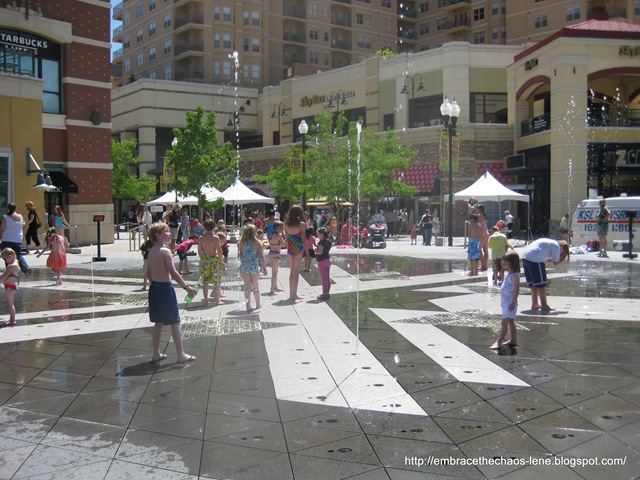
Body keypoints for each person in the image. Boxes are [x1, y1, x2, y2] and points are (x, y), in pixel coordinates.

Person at [145, 222, 197, 364]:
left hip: (155, 288)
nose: (169, 234)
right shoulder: (165, 251)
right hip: (165, 289)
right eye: (166, 232)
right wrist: (186, 287)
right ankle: (181, 354)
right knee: (175, 321)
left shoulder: (151, 251)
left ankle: (156, 353)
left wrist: (155, 283)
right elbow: (173, 272)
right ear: (157, 235)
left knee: (159, 322)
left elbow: (148, 273)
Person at [522, 238, 570, 311]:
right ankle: (544, 305)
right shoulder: (556, 246)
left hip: (526, 257)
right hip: (535, 258)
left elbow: (547, 260)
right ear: (563, 247)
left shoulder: (549, 243)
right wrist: (563, 257)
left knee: (533, 284)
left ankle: (534, 304)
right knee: (541, 284)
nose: (561, 253)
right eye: (563, 252)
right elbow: (555, 262)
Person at [490, 251, 521, 349]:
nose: (504, 266)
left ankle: (498, 342)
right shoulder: (510, 274)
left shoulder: (514, 276)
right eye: (503, 264)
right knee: (511, 321)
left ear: (513, 263)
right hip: (506, 302)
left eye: (506, 264)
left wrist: (513, 302)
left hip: (509, 303)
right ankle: (513, 340)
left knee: (504, 323)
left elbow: (516, 290)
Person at [238, 224, 267, 312]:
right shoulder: (258, 242)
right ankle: (258, 304)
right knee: (255, 286)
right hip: (254, 266)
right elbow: (261, 257)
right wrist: (264, 268)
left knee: (247, 287)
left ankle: (248, 305)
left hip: (245, 267)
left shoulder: (241, 243)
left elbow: (240, 256)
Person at [198, 218, 224, 306]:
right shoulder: (215, 238)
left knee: (205, 281)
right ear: (214, 227)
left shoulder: (201, 238)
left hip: (205, 259)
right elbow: (219, 250)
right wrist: (220, 260)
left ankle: (206, 300)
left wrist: (202, 259)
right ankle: (217, 300)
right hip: (214, 259)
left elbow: (199, 252)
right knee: (216, 280)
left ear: (204, 227)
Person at [284, 204, 307, 302]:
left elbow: (286, 240)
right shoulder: (301, 224)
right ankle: (295, 294)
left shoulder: (286, 224)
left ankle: (291, 294)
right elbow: (303, 240)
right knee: (296, 271)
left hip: (290, 248)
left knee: (292, 271)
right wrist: (308, 254)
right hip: (298, 248)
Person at [0, 203, 30, 275]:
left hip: (7, 239)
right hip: (18, 239)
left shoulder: (6, 217)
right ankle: (26, 268)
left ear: (8, 208)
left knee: (7, 255)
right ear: (15, 208)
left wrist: (0, 237)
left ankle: (10, 272)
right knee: (18, 255)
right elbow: (24, 226)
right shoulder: (20, 217)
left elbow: (2, 228)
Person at [0, 248, 20, 327]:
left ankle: (13, 320)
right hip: (11, 284)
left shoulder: (11, 266)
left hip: (9, 286)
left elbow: (2, 278)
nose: (5, 261)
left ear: (9, 256)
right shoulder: (16, 261)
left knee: (10, 303)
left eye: (5, 259)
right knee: (10, 303)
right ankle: (11, 319)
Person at [268, 220, 286, 294]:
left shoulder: (272, 234)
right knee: (274, 273)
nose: (282, 229)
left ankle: (275, 286)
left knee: (275, 271)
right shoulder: (279, 235)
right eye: (282, 227)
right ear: (278, 228)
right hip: (276, 254)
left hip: (271, 253)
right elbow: (284, 245)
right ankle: (272, 289)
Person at [315, 227, 332, 300]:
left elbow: (320, 252)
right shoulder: (328, 242)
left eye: (318, 234)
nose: (317, 236)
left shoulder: (321, 242)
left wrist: (315, 249)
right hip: (327, 260)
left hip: (322, 261)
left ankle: (324, 294)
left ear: (322, 234)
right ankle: (327, 292)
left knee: (324, 279)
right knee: (327, 277)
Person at [476, 204, 490, 271]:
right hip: (486, 232)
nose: (476, 210)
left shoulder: (479, 215)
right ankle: (485, 265)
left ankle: (483, 265)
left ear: (480, 209)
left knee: (479, 250)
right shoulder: (484, 215)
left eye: (477, 208)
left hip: (482, 234)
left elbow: (478, 224)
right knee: (485, 250)